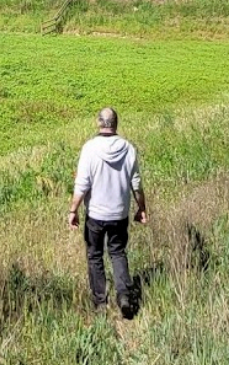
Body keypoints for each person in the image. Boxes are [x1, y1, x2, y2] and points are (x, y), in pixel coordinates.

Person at [67, 106, 147, 317]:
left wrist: (73, 210)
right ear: (116, 124)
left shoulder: (90, 149)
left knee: (95, 256)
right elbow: (136, 184)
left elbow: (82, 184)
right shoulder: (128, 148)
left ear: (98, 123)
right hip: (119, 214)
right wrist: (141, 208)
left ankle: (100, 303)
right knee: (118, 253)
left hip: (95, 214)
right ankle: (123, 295)